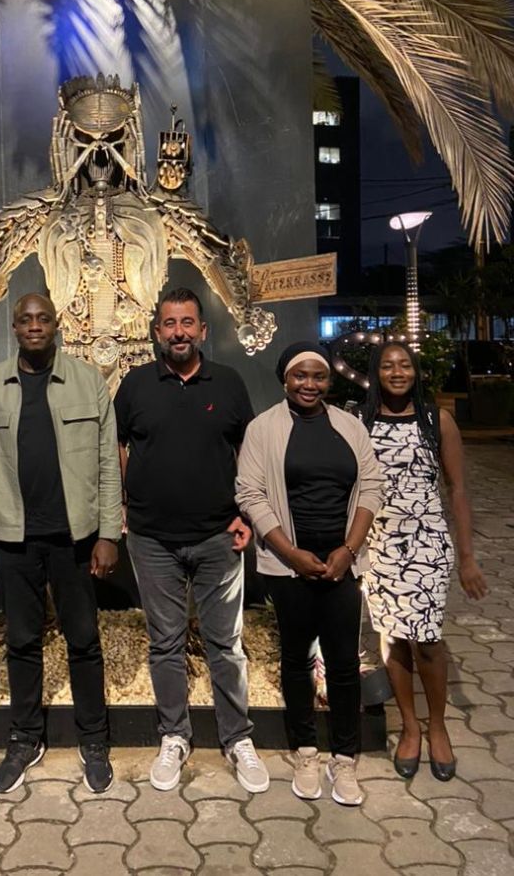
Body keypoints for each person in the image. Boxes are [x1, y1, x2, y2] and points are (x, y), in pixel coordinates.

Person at [114, 287, 268, 794]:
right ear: (157, 331)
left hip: (218, 536)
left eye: (187, 323)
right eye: (169, 323)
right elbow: (117, 444)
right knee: (166, 643)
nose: (178, 332)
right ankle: (174, 736)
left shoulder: (228, 383)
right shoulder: (135, 384)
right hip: (151, 540)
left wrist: (246, 513)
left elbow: (248, 450)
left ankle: (237, 738)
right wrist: (124, 502)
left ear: (202, 330)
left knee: (226, 644)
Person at [0, 293, 121, 794]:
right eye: (25, 319)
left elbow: (107, 463)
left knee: (84, 640)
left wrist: (108, 533)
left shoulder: (87, 381)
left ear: (57, 325)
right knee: (21, 641)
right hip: (13, 539)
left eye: (43, 318)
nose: (34, 326)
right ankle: (25, 736)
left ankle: (93, 739)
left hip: (73, 538)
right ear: (14, 328)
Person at [235, 341, 384, 806]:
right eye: (300, 375)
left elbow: (372, 487)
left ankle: (344, 757)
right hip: (288, 565)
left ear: (328, 381)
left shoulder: (349, 426)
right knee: (296, 658)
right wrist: (291, 554)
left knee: (343, 662)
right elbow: (250, 494)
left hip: (342, 561)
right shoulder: (263, 428)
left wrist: (348, 549)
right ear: (285, 379)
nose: (309, 384)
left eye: (318, 376)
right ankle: (305, 752)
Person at [361, 340, 487, 782]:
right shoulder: (361, 421)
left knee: (428, 641)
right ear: (376, 374)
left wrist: (467, 558)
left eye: (405, 365)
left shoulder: (437, 420)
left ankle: (438, 726)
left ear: (416, 372)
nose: (397, 373)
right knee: (393, 639)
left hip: (427, 544)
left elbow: (457, 490)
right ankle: (410, 727)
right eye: (388, 366)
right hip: (379, 545)